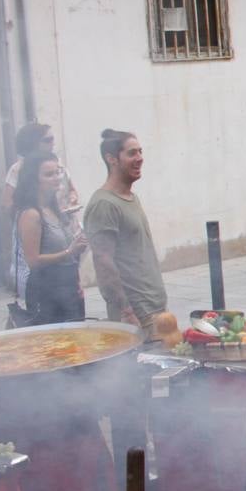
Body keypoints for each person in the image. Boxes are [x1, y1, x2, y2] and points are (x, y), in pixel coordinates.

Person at [83, 130, 167, 337]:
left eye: (140, 151)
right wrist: (125, 311)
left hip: (155, 309)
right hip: (138, 315)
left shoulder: (130, 197)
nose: (139, 158)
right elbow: (103, 262)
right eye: (131, 153)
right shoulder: (104, 204)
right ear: (111, 159)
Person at [4, 122, 79, 297]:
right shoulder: (19, 170)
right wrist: (33, 222)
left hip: (61, 225)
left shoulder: (56, 164)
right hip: (43, 237)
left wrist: (71, 200)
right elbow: (7, 204)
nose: (53, 143)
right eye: (48, 139)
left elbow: (71, 188)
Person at [15, 153, 87, 324]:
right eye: (49, 174)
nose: (56, 178)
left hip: (67, 285)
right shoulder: (31, 214)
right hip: (47, 290)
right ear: (34, 180)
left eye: (57, 172)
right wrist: (70, 251)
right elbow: (32, 260)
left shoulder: (53, 209)